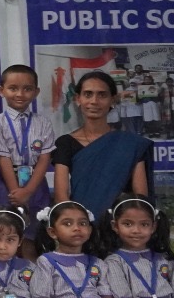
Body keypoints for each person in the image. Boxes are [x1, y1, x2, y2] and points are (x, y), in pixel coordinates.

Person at [52, 70, 152, 221]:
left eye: (102, 95)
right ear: (78, 99)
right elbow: (61, 197)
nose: (94, 101)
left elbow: (140, 198)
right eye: (88, 94)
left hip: (121, 225)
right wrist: (78, 224)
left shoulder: (130, 144)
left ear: (113, 100)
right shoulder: (65, 143)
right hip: (80, 225)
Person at [0, 64, 55, 257]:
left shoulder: (43, 123)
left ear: (36, 92)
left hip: (36, 183)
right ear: (1, 91)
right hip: (6, 184)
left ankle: (32, 271)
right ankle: (8, 270)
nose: (20, 94)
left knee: (34, 233)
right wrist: (16, 192)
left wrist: (28, 191)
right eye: (13, 88)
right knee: (6, 230)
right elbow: (3, 158)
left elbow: (44, 158)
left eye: (27, 89)